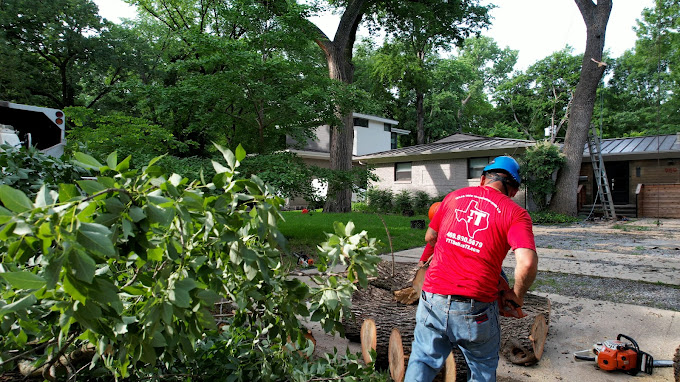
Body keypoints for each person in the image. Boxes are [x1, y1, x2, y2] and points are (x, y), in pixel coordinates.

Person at [404, 156, 538, 382]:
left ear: (483, 178)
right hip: (476, 308)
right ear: (513, 190)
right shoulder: (516, 214)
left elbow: (430, 236)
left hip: (433, 299)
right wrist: (517, 294)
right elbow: (527, 262)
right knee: (482, 370)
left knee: (423, 362)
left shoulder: (453, 197)